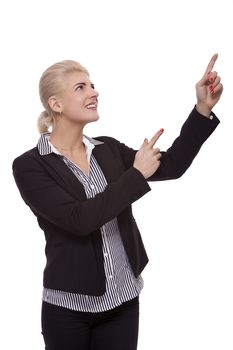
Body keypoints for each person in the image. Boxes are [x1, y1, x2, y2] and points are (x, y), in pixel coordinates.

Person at [12, 54, 223, 350]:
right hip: (68, 310)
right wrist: (136, 174)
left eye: (93, 85)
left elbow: (172, 166)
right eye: (80, 87)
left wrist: (202, 109)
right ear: (55, 104)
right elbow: (79, 220)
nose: (94, 92)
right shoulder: (31, 166)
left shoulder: (107, 149)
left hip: (123, 302)